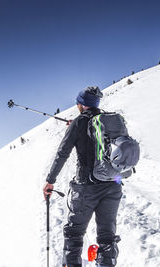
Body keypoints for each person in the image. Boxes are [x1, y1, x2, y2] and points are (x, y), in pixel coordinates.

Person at [43, 86, 122, 267]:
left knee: (74, 233)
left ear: (81, 104)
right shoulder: (108, 121)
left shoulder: (79, 123)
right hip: (112, 185)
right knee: (107, 238)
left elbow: (62, 153)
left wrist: (50, 181)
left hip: (87, 188)